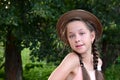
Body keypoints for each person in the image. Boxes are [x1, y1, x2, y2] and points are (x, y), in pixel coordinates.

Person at [48, 9, 104, 80]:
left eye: (81, 33)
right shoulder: (72, 59)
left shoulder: (98, 62)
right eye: (71, 36)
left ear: (92, 36)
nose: (77, 39)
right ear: (68, 40)